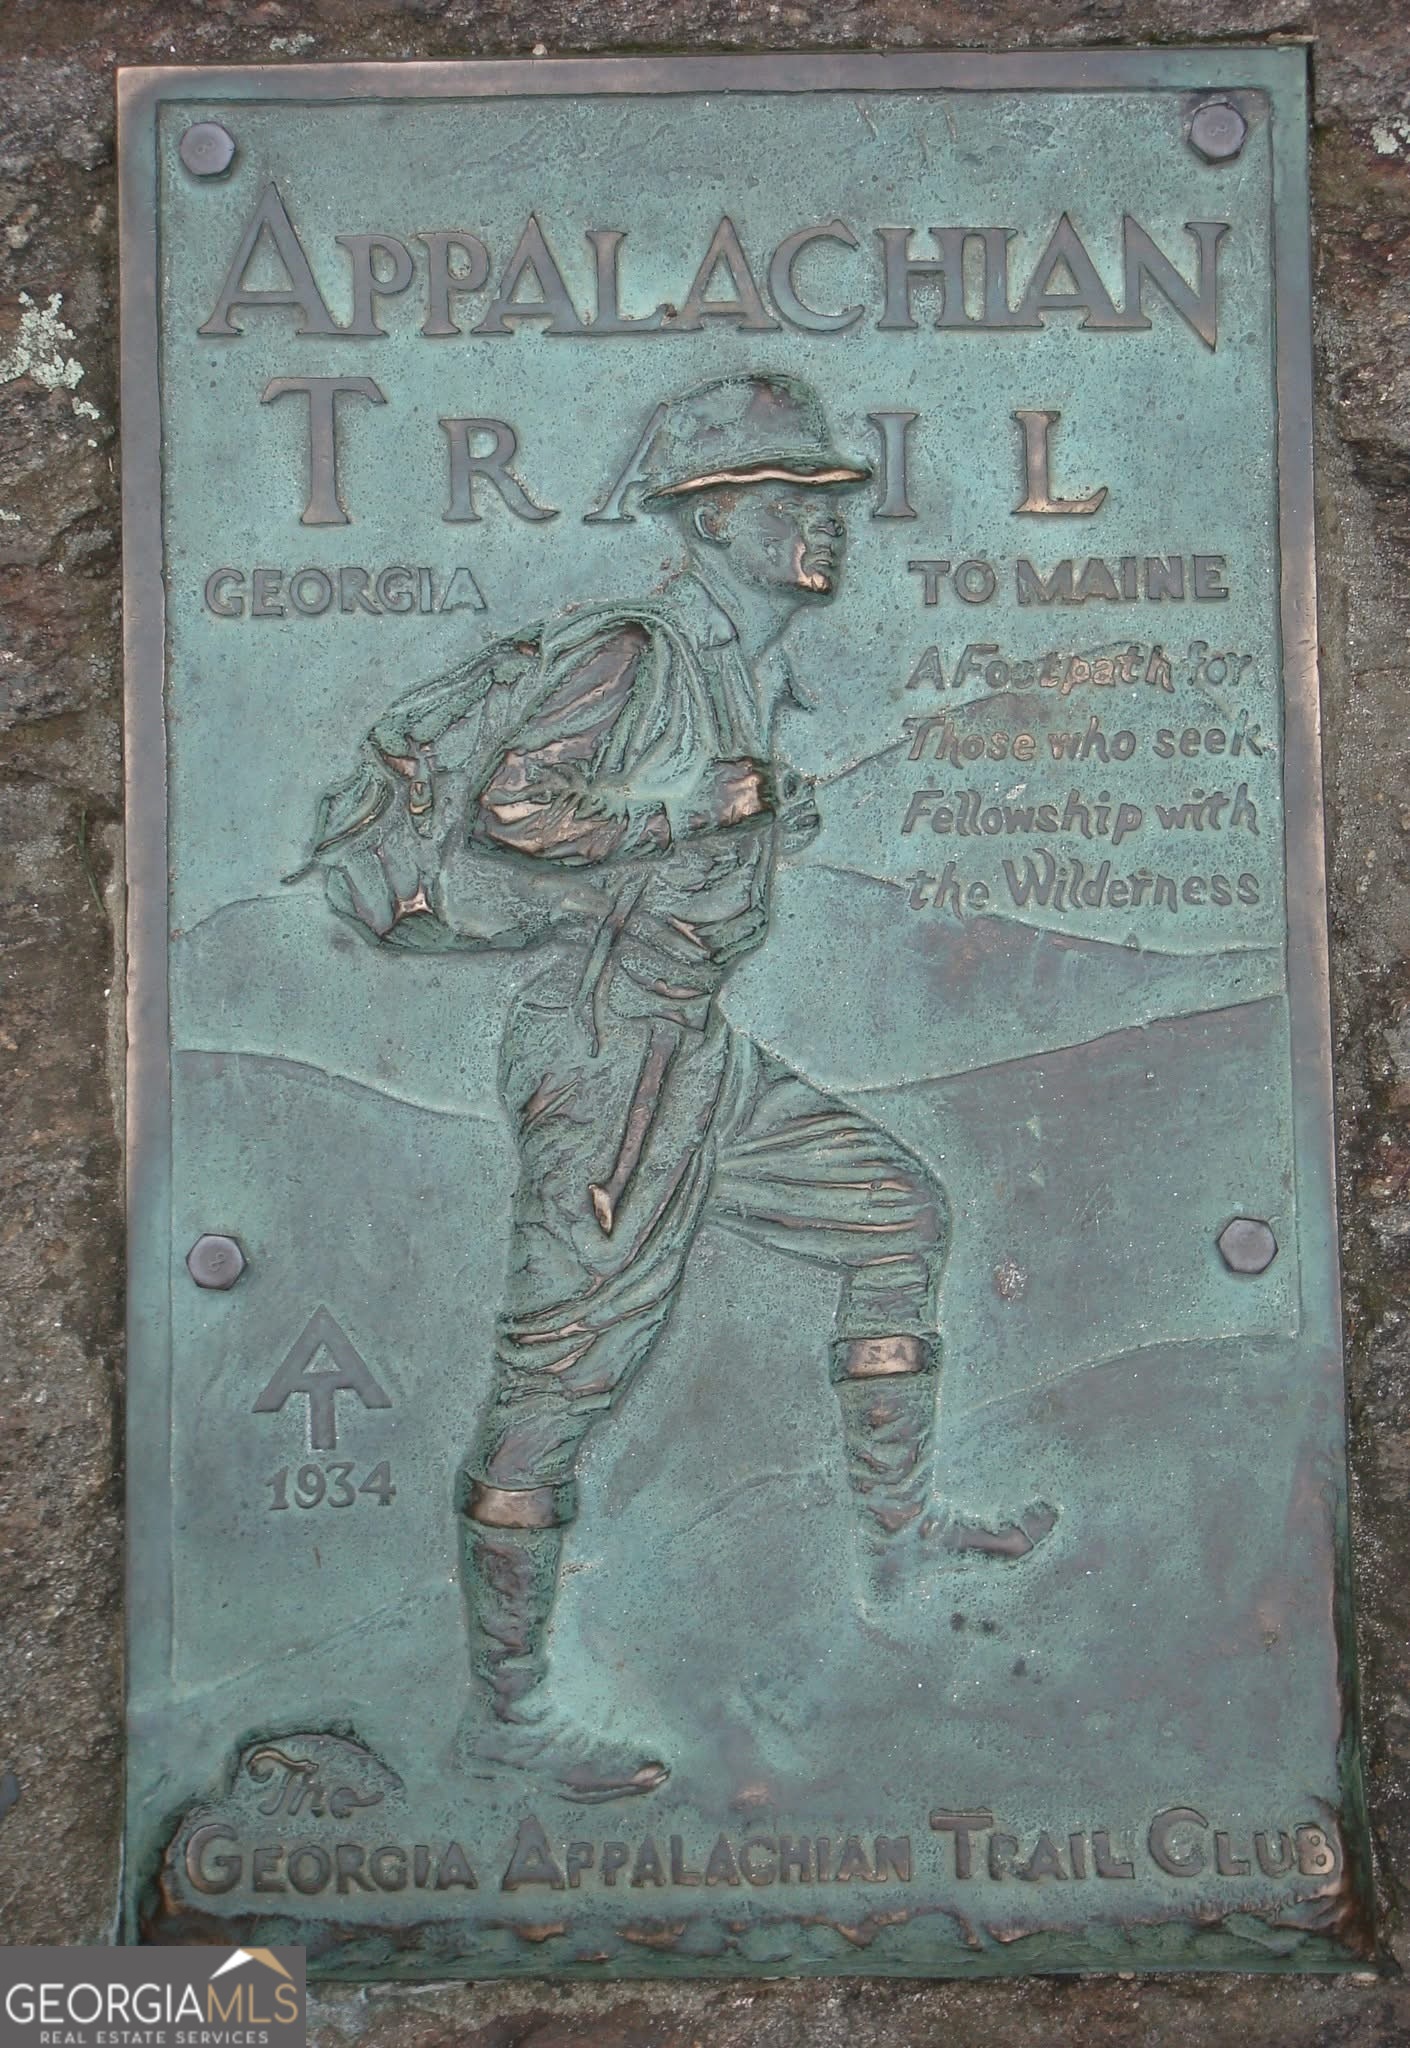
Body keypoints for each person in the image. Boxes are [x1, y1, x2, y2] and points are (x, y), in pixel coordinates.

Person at [311, 372, 1055, 1803]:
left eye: (827, 502)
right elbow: (515, 809)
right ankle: (507, 1716)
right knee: (555, 1385)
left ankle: (897, 1544)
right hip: (608, 1057)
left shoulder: (734, 661)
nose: (823, 527)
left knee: (894, 1218)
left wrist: (748, 825)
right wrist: (685, 813)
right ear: (712, 524)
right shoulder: (640, 648)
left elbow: (680, 834)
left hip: (695, 1049)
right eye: (788, 505)